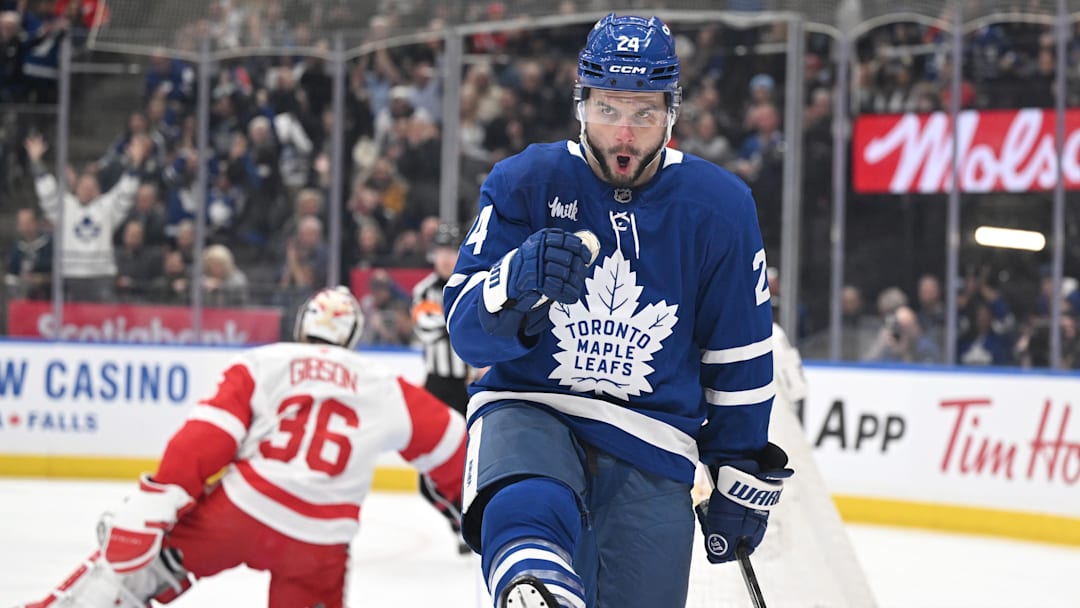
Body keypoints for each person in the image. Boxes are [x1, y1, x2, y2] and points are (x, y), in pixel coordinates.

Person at [442, 14, 792, 608]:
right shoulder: (525, 182)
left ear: (671, 113)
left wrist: (739, 474)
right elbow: (467, 336)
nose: (624, 134)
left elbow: (739, 354)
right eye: (608, 110)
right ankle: (537, 586)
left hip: (652, 436)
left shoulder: (721, 207)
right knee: (529, 499)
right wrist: (514, 278)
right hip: (532, 403)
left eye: (643, 114)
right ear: (582, 106)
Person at [18, 286, 467, 608]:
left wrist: (158, 498)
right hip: (320, 539)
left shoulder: (264, 361)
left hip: (246, 507)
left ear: (301, 325)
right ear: (351, 338)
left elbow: (208, 435)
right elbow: (453, 446)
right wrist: (491, 510)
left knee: (139, 564)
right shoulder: (382, 383)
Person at [411, 222, 474, 553]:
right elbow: (427, 327)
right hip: (437, 387)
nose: (446, 258)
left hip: (470, 385)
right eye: (441, 251)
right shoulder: (425, 290)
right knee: (426, 475)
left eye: (452, 251)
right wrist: (463, 318)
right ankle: (459, 523)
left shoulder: (473, 281)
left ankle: (474, 523)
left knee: (475, 460)